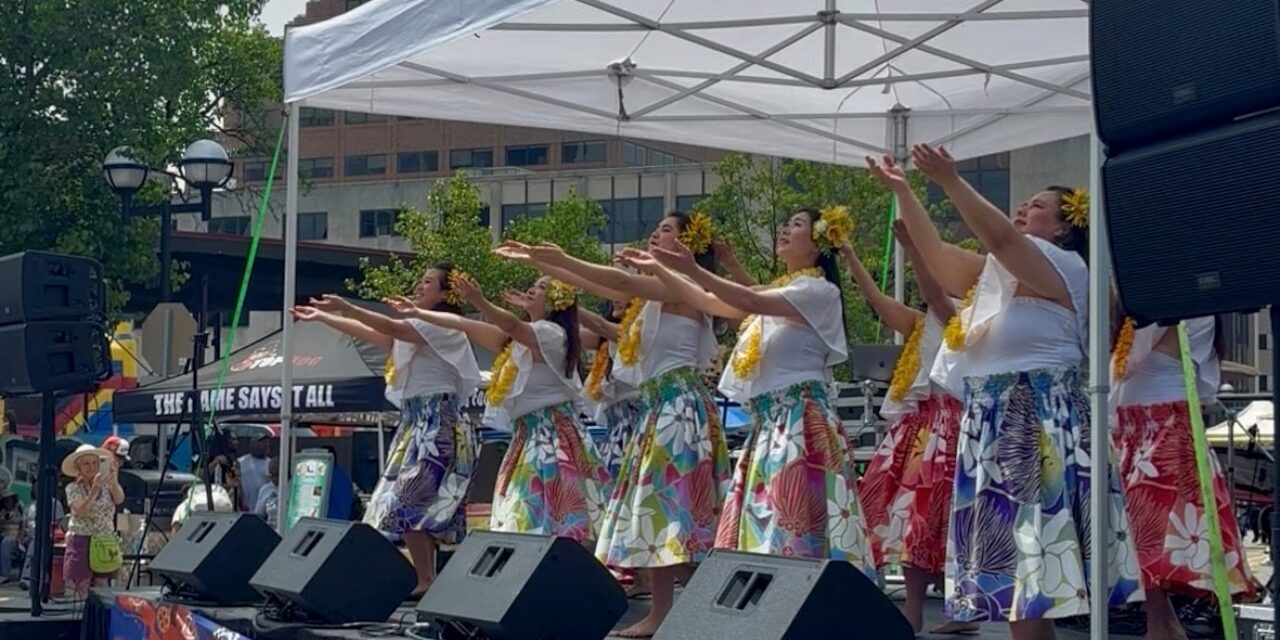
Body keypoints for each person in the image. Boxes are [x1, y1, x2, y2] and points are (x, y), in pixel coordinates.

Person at [873, 147, 1141, 640]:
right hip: (994, 421)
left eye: (1037, 206)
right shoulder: (1000, 278)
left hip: (1034, 421)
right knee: (1021, 577)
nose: (1023, 209)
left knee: (1030, 568)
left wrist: (951, 180)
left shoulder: (1064, 267)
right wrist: (904, 191)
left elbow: (997, 236)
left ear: (1064, 227)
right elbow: (940, 259)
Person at [496, 210, 732, 638]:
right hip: (657, 409)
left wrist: (560, 259)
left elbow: (619, 284)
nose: (654, 233)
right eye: (655, 227)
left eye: (666, 230)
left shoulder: (680, 287)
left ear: (688, 245)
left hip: (678, 409)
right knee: (654, 514)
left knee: (672, 513)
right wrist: (545, 265)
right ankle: (664, 613)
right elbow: (606, 296)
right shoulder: (652, 299)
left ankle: (703, 609)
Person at [623, 205, 873, 573]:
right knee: (770, 523)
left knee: (797, 522)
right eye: (786, 223)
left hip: (801, 422)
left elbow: (749, 301)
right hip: (771, 424)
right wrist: (662, 268)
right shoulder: (785, 288)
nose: (786, 229)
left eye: (798, 225)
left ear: (819, 244)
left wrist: (692, 269)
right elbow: (710, 302)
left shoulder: (817, 290)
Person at [294, 263, 482, 597]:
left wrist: (347, 305)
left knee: (409, 500)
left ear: (445, 293)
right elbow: (374, 333)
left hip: (438, 422)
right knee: (399, 504)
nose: (418, 286)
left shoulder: (445, 327)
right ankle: (427, 578)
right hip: (415, 422)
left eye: (427, 282)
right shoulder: (416, 326)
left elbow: (390, 327)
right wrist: (325, 318)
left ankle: (429, 578)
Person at [851, 220, 976, 635]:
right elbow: (876, 299)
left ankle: (958, 611)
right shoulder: (923, 323)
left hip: (951, 424)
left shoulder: (964, 314)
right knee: (906, 517)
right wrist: (850, 255)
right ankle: (915, 609)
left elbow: (935, 296)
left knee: (939, 519)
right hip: (920, 424)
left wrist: (919, 251)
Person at [1111, 315, 1255, 640]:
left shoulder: (1168, 299)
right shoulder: (1191, 303)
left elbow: (1129, 359)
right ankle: (1162, 625)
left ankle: (1162, 626)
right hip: (1153, 419)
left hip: (1155, 423)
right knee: (1147, 535)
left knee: (1149, 534)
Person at [62, 444, 124, 598]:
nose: (91, 467)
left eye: (95, 463)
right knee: (81, 585)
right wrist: (94, 489)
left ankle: (99, 619)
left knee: (102, 585)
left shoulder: (108, 486)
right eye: (86, 463)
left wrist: (113, 480)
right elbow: (81, 510)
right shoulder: (72, 487)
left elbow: (119, 499)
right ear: (79, 467)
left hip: (104, 538)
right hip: (82, 539)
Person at [236, 435, 272, 514]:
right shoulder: (241, 462)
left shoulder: (271, 464)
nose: (266, 445)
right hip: (244, 509)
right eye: (262, 442)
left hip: (263, 510)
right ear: (253, 444)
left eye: (266, 443)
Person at [0, 482, 22, 584]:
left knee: (6, 542)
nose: (8, 502)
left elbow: (23, 525)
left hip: (15, 537)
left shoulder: (19, 510)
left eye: (10, 500)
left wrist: (19, 538)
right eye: (6, 500)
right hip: (3, 534)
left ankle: (5, 575)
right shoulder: (2, 512)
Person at [254, 457, 280, 528]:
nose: (273, 478)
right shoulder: (265, 489)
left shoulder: (293, 487)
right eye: (271, 475)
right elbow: (258, 516)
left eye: (276, 474)